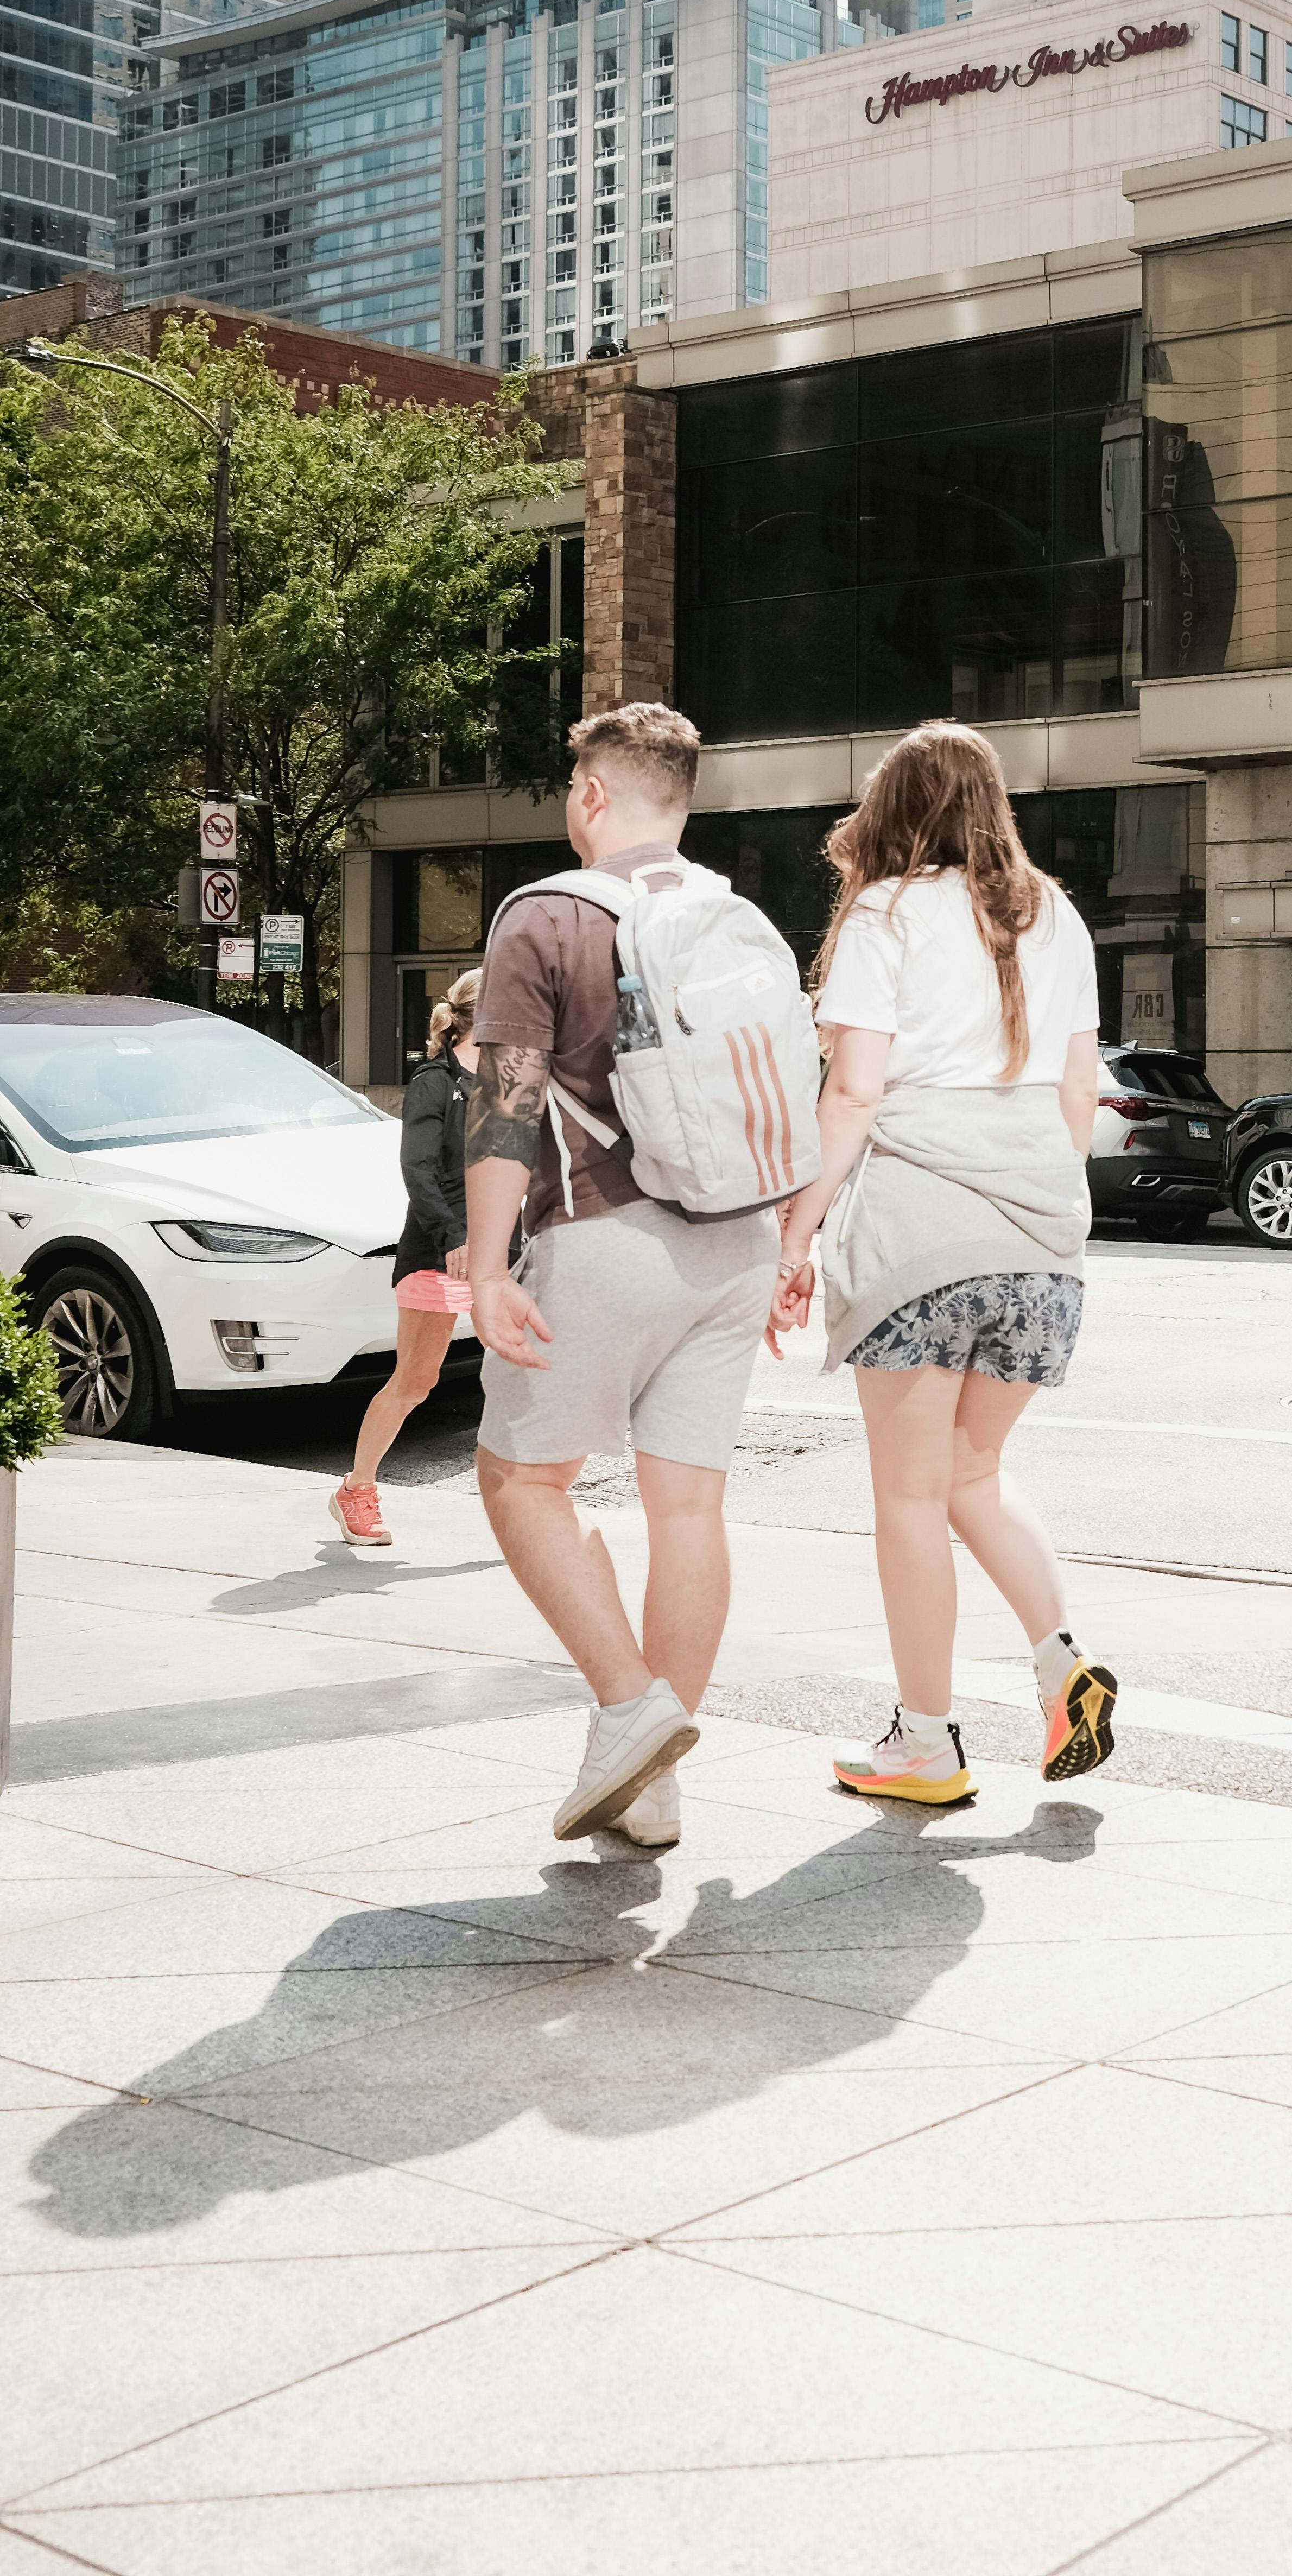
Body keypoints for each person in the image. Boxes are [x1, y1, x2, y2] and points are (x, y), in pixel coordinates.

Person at [766, 720, 1118, 1809]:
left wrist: (796, 1231)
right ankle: (1062, 1666)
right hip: (1043, 1242)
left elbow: (853, 1093)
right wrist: (1044, 1205)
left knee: (910, 1498)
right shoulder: (1055, 915)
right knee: (972, 1476)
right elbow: (1080, 1094)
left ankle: (925, 1743)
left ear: (896, 810)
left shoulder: (885, 912)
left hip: (921, 1237)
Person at [464, 702, 782, 1851]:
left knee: (521, 1481)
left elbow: (507, 1100)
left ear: (591, 793)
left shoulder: (543, 915)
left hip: (608, 1234)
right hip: (740, 1242)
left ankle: (629, 1707)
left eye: (570, 785)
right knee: (688, 1507)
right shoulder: (736, 916)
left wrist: (488, 1266)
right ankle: (653, 1790)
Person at [328, 967, 483, 1547]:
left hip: (503, 1252)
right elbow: (418, 1171)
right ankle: (357, 1489)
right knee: (416, 1380)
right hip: (441, 1252)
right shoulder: (434, 1082)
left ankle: (525, 1494)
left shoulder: (515, 1080)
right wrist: (453, 1237)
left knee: (528, 1372)